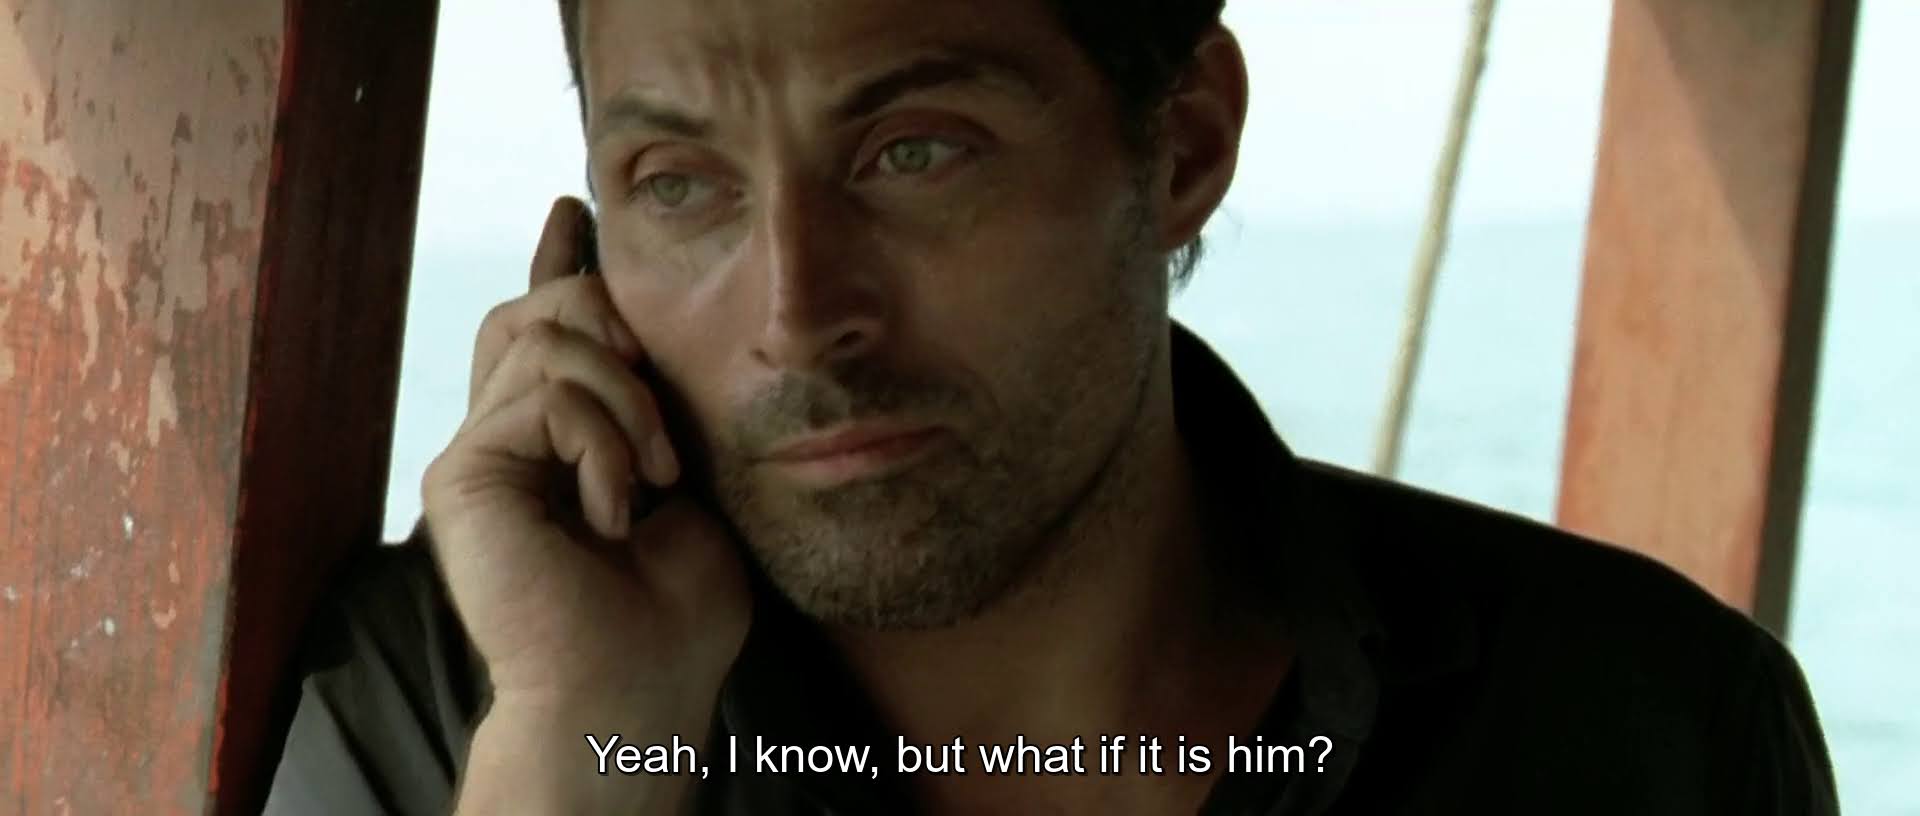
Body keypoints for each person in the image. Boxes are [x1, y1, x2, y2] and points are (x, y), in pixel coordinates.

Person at [263, 0, 1839, 813]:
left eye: (915, 152)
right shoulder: (454, 708)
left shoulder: (1638, 724)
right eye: (680, 185)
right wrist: (583, 747)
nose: (796, 314)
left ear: (1183, 146)